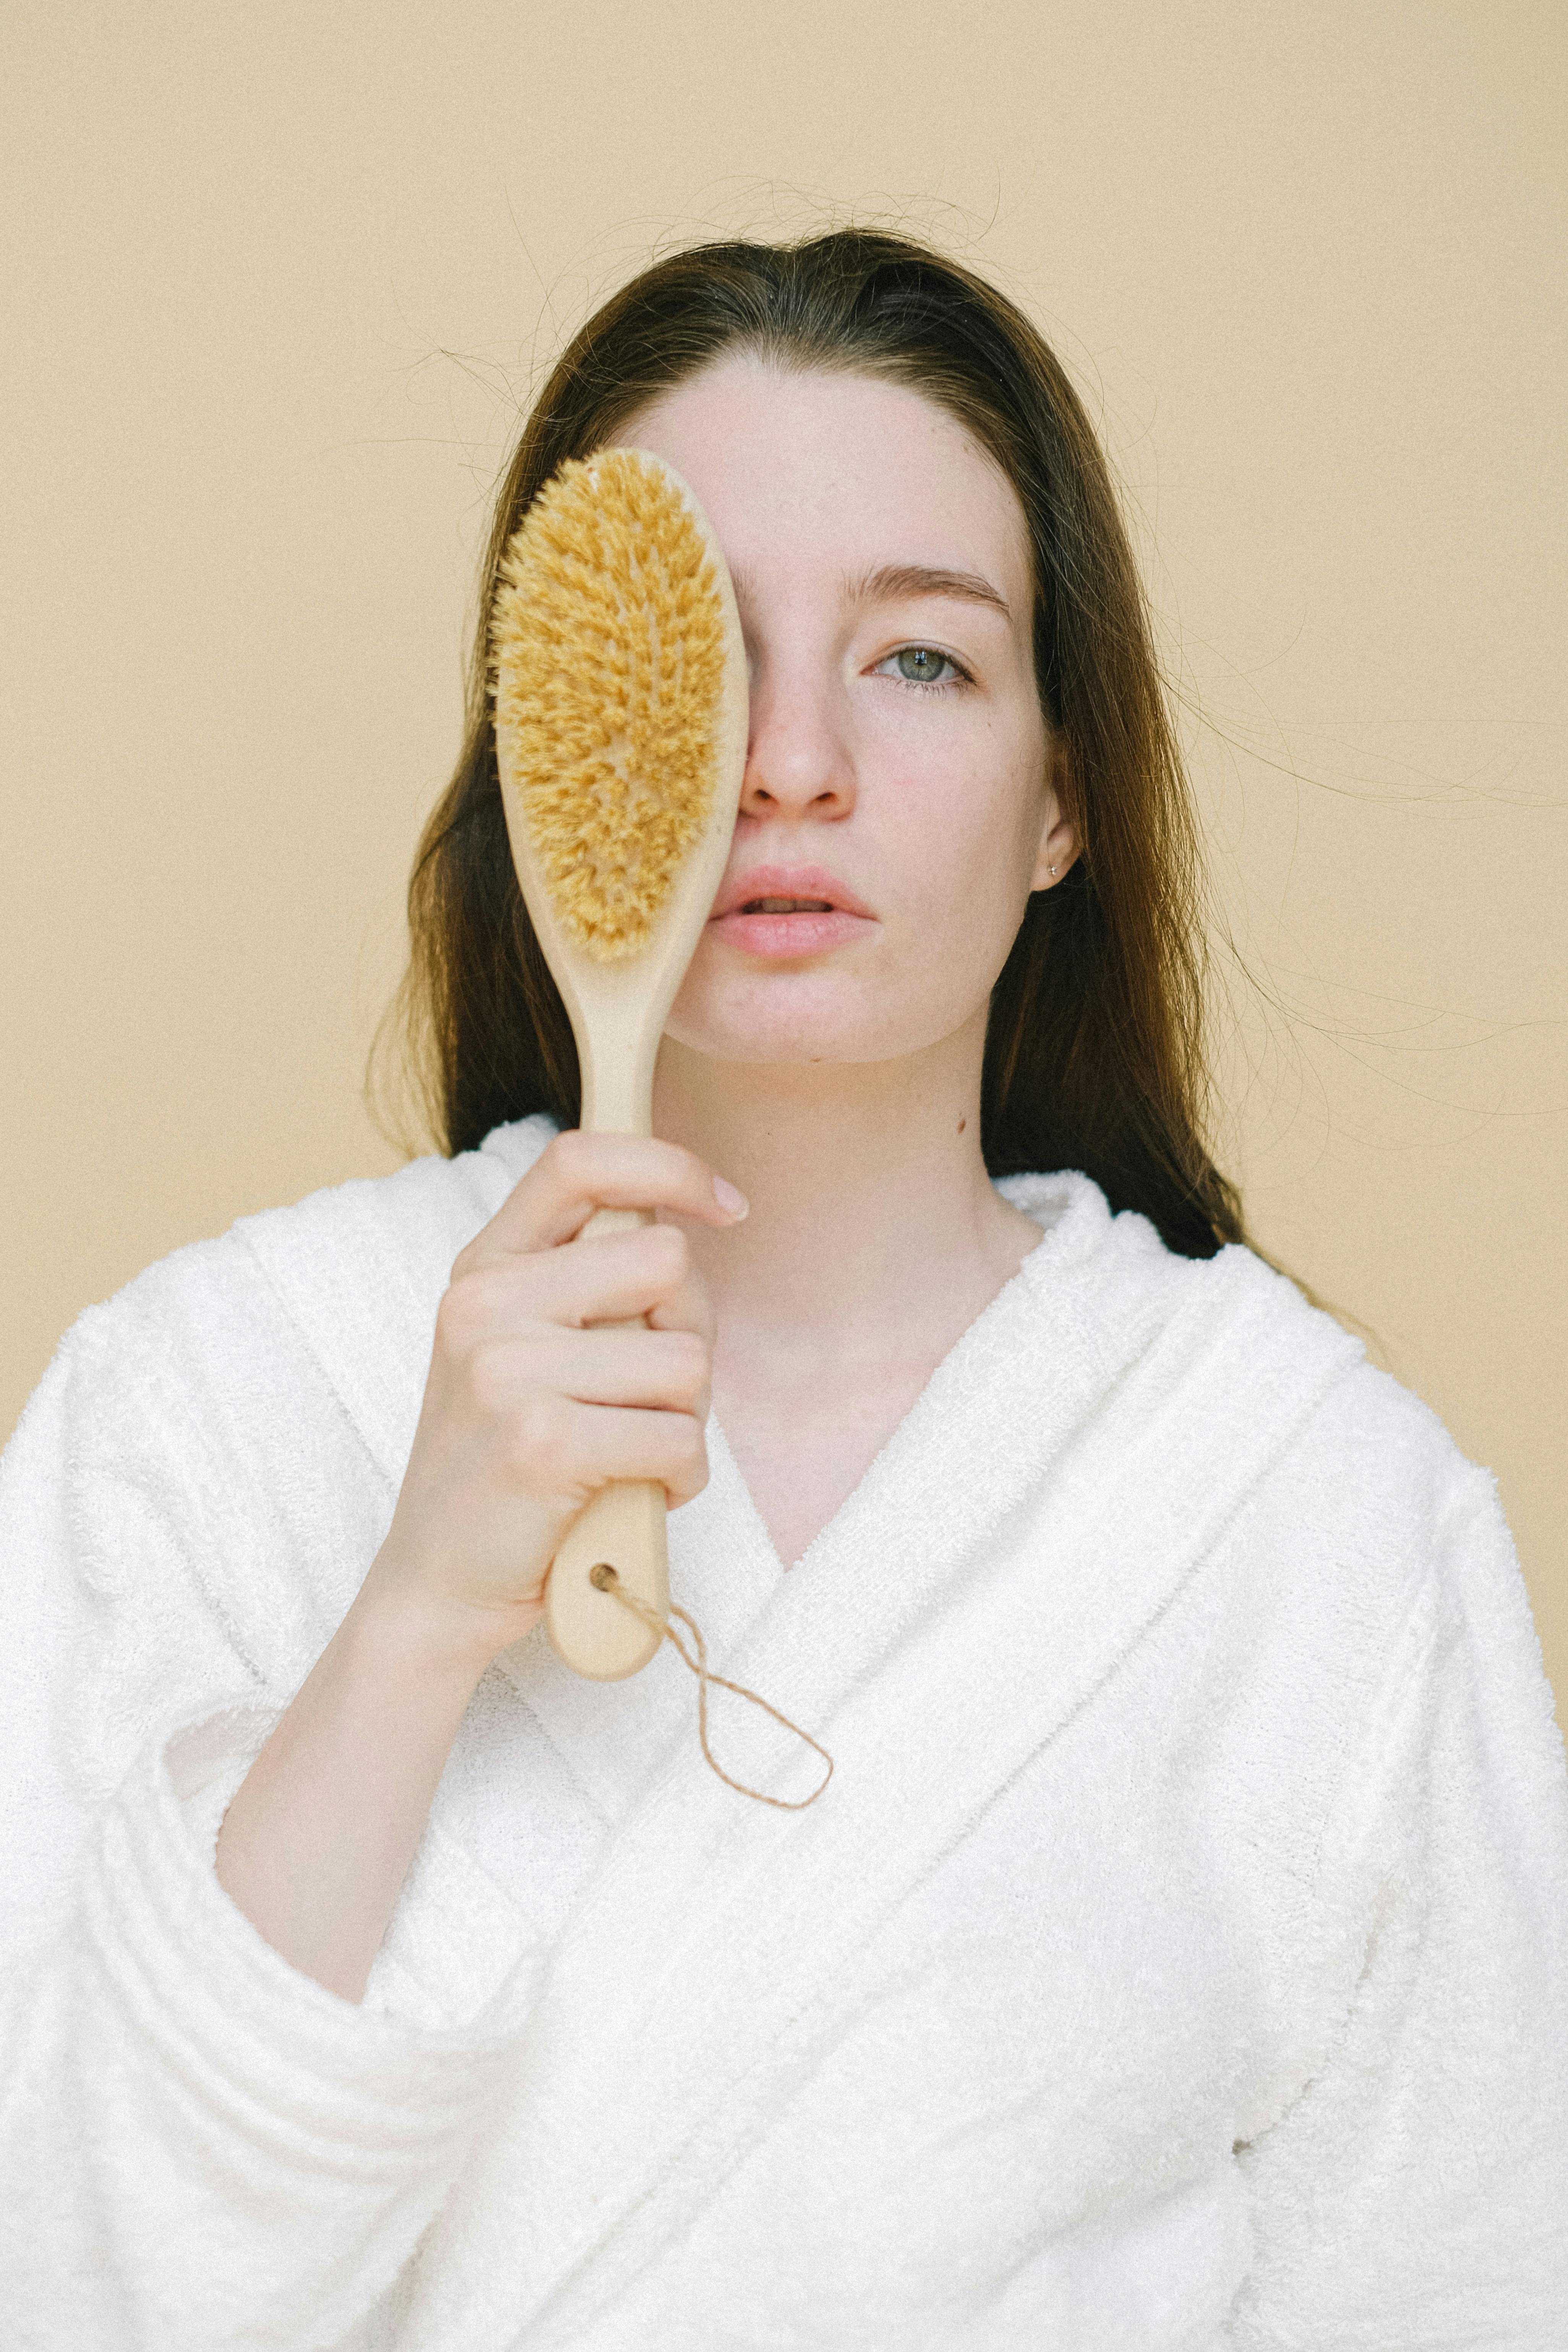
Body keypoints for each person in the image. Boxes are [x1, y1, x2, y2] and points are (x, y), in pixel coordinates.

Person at [2, 229, 1565, 2351]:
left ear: (1062, 796)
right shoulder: (203, 1401)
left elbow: (1463, 2283)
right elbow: (69, 2271)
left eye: (919, 661)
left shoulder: (1311, 1520)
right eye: (698, 662)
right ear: (556, 749)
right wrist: (411, 1625)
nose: (789, 763)